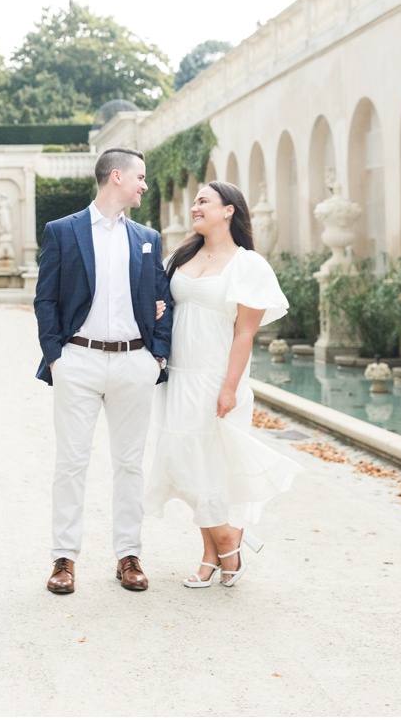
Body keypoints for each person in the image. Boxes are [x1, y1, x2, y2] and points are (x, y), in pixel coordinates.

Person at [144, 180, 301, 588]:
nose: (195, 207)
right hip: (178, 376)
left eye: (203, 201)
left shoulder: (248, 265)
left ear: (228, 210)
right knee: (187, 463)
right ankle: (218, 548)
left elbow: (245, 333)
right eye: (195, 201)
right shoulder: (180, 256)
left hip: (216, 377)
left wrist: (229, 388)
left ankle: (225, 546)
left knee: (213, 465)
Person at [33, 148, 173, 595]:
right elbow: (46, 298)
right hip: (79, 360)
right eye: (140, 177)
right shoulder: (62, 231)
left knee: (130, 464)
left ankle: (128, 555)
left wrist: (157, 358)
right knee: (71, 462)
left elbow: (163, 299)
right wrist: (57, 356)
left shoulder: (147, 236)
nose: (144, 185)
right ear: (117, 177)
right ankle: (64, 559)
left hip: (135, 362)